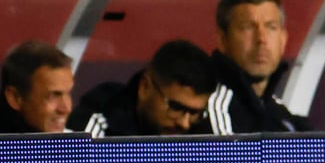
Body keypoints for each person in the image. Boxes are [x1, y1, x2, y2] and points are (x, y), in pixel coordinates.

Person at [207, 0, 311, 134]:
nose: (261, 39)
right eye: (248, 27)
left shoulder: (283, 116)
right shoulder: (214, 108)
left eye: (271, 27)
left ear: (283, 39)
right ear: (223, 40)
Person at [69, 39, 216, 137]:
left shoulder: (205, 135)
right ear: (145, 87)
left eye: (195, 113)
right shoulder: (96, 129)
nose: (184, 123)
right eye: (175, 107)